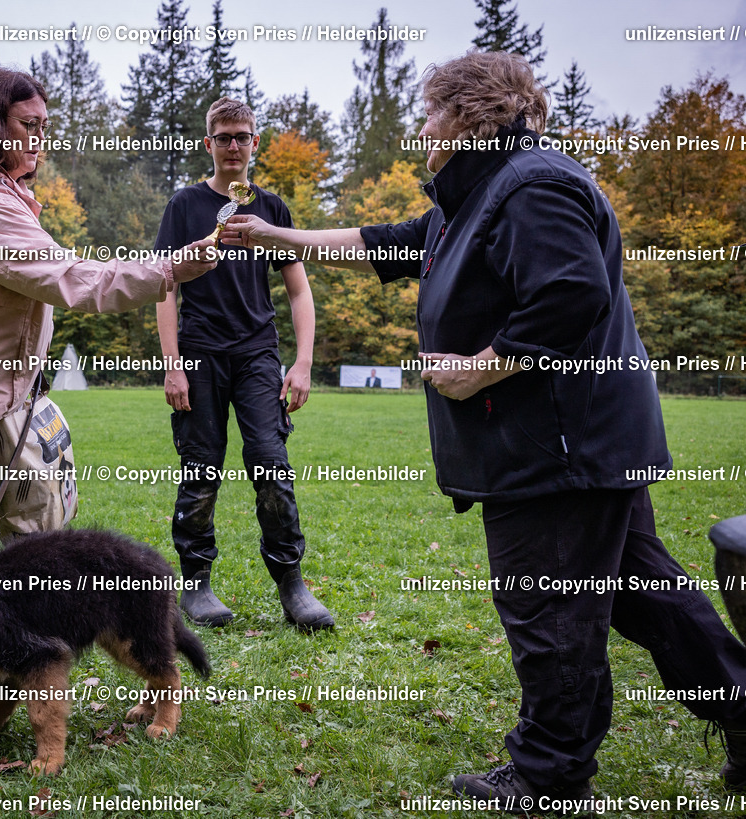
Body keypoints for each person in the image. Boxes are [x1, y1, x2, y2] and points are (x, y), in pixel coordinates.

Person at [221, 51, 746, 808]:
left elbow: (571, 294)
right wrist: (279, 239)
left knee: (548, 609)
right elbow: (387, 242)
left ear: (471, 116)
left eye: (431, 113)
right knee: (644, 594)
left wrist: (483, 366)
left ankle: (550, 774)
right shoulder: (474, 198)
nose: (421, 127)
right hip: (577, 446)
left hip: (559, 448)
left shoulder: (535, 184)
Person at [0, 68, 215, 711]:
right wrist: (169, 268)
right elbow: (65, 277)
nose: (40, 139)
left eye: (44, 127)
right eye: (27, 126)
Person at [154, 97, 333, 631]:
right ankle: (197, 584)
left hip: (258, 354)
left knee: (271, 467)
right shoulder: (184, 207)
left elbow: (299, 293)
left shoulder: (272, 210)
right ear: (208, 144)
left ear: (256, 143)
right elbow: (163, 287)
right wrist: (172, 364)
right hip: (200, 353)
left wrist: (301, 363)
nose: (234, 146)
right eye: (224, 137)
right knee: (202, 469)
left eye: (243, 136)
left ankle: (292, 583)